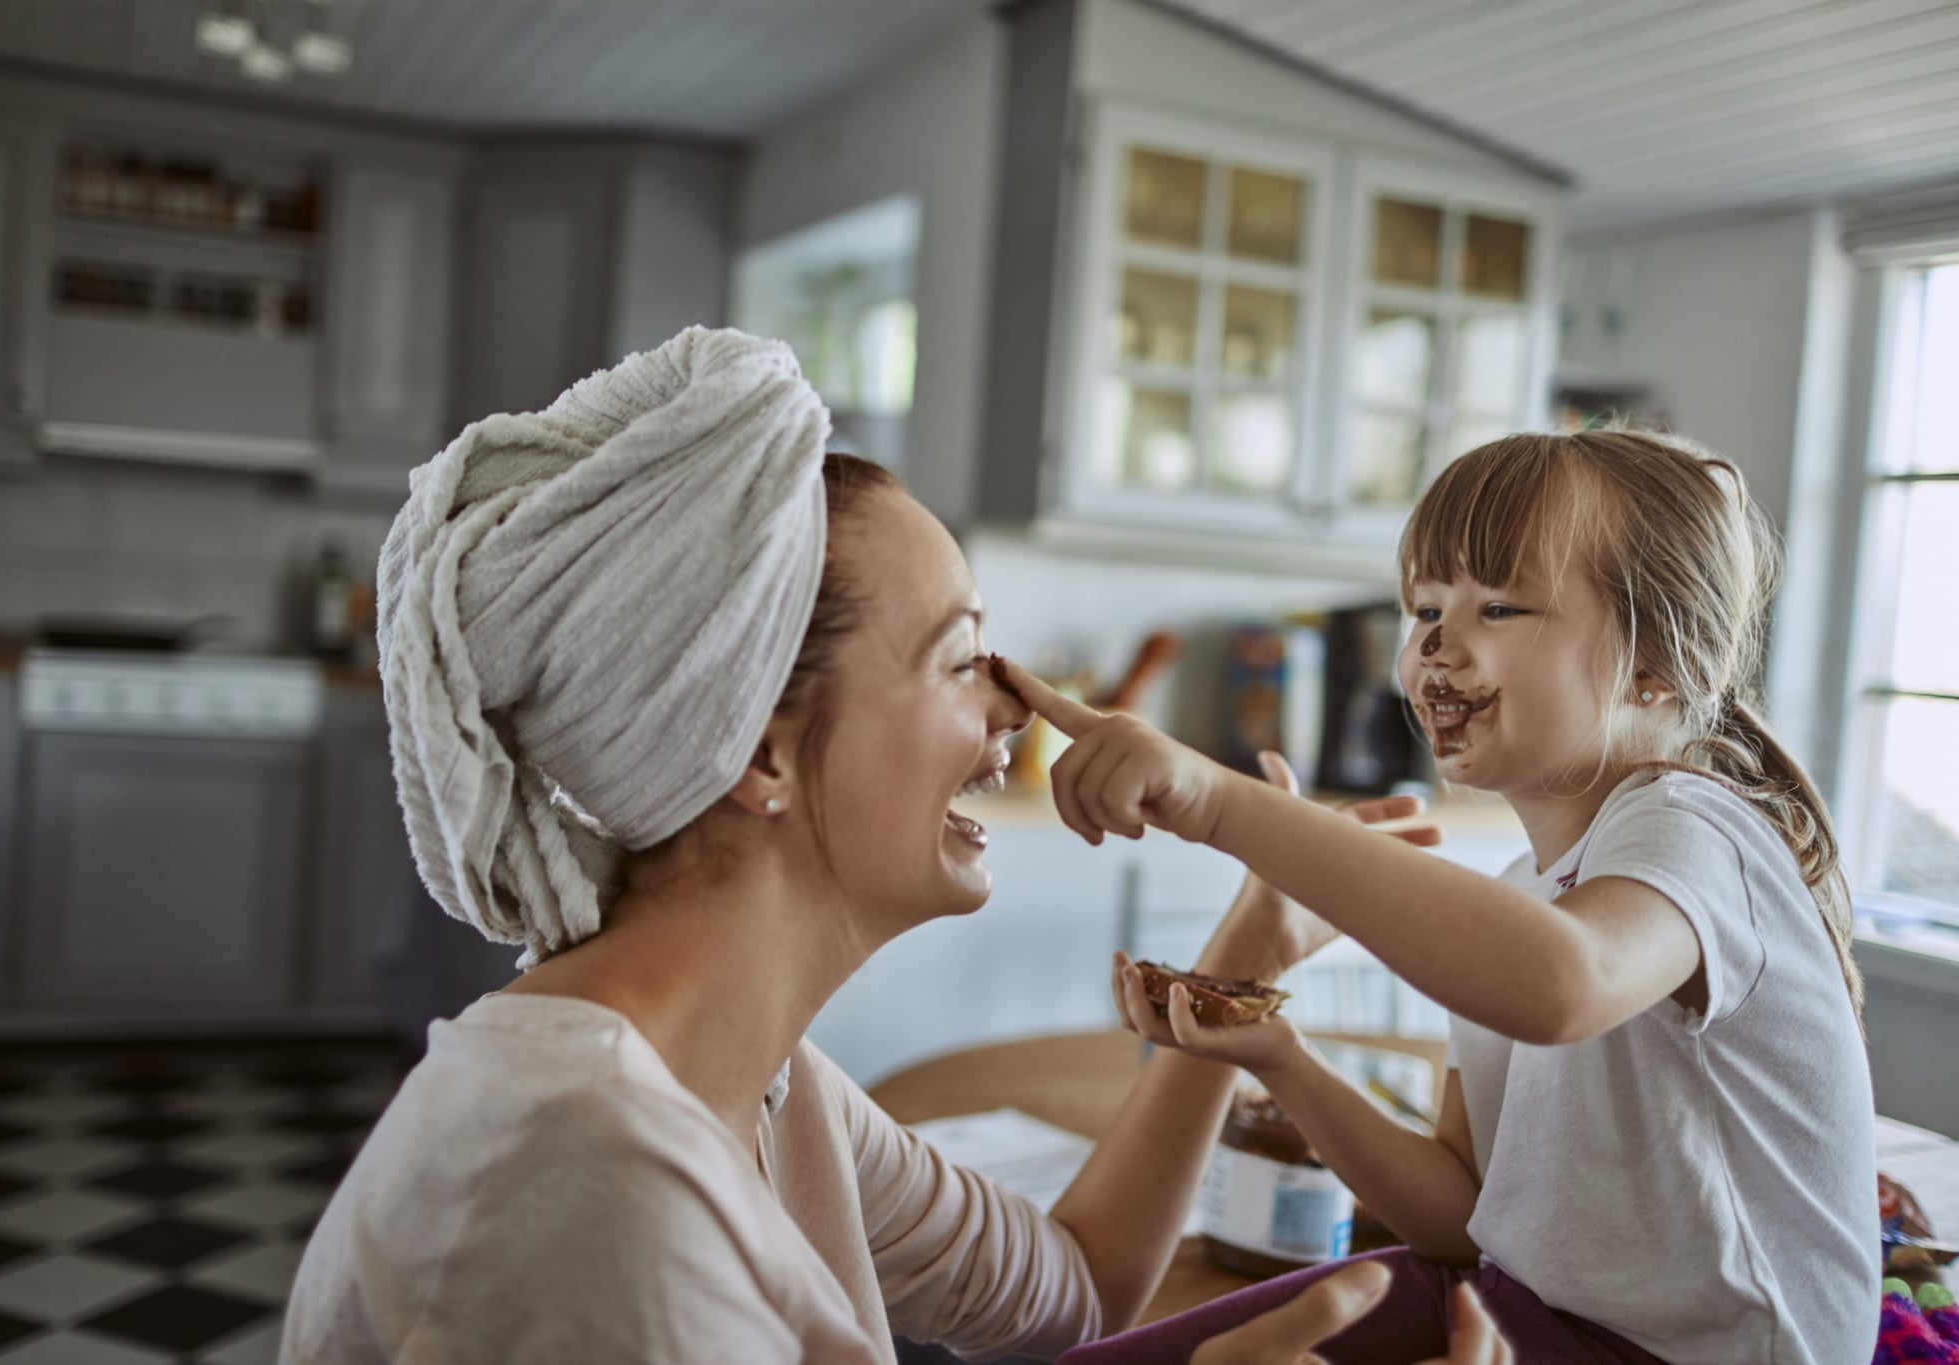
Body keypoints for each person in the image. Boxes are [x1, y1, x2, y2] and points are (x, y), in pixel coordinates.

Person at [279, 327, 1500, 1364]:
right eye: (962, 659)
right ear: (757, 750)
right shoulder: (596, 1190)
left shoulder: (763, 1085)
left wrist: (1245, 949)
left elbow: (1073, 1287)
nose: (1015, 708)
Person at [1009, 430, 1880, 1365]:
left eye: (1497, 605)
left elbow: (1559, 983)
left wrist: (1224, 801)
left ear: (1654, 663)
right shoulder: (1520, 898)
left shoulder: (1695, 827)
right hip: (1516, 1304)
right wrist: (1286, 1060)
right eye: (1424, 605)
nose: (1433, 640)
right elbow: (1461, 1217)